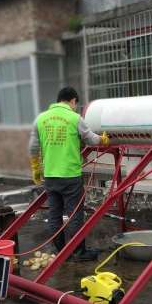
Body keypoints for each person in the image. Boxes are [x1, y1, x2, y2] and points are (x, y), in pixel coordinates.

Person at [28, 86, 109, 261]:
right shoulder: (74, 118)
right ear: (72, 100)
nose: (75, 106)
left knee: (55, 214)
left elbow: (33, 148)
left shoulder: (40, 119)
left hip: (50, 175)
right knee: (74, 215)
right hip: (70, 176)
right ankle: (78, 253)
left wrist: (36, 169)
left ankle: (60, 252)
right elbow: (91, 139)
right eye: (75, 104)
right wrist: (103, 139)